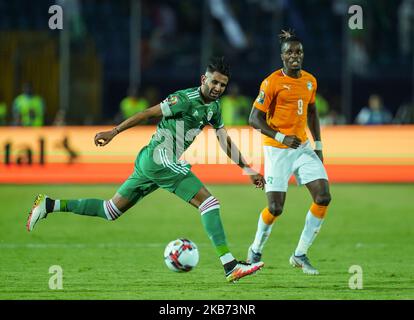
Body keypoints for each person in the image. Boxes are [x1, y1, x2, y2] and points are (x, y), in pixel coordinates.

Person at [26, 57, 265, 283]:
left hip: (151, 162)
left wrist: (246, 168)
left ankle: (49, 205)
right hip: (159, 158)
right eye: (214, 82)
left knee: (110, 210)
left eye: (222, 84)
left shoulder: (214, 108)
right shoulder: (184, 99)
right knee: (209, 203)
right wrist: (114, 132)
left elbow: (224, 140)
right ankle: (230, 266)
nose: (218, 87)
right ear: (204, 79)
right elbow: (146, 113)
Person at [246, 30, 331, 275]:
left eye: (298, 51)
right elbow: (253, 118)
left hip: (303, 148)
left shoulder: (310, 81)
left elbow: (312, 112)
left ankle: (300, 254)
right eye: (289, 52)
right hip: (277, 150)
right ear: (282, 57)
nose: (294, 56)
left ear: (302, 54)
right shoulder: (271, 82)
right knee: (275, 208)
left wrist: (318, 145)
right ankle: (255, 249)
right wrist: (282, 137)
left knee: (323, 196)